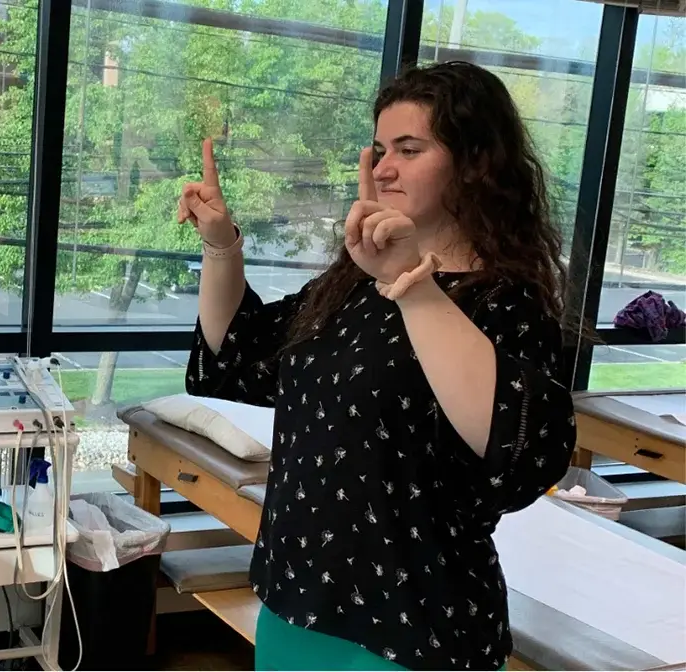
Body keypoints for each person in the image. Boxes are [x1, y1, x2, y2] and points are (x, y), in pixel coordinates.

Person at [178, 61, 577, 671]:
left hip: (414, 627)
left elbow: (519, 450)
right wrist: (220, 243)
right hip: (298, 600)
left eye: (410, 149)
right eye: (380, 148)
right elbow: (239, 350)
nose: (384, 166)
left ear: (474, 162)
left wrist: (411, 285)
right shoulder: (354, 282)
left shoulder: (505, 301)